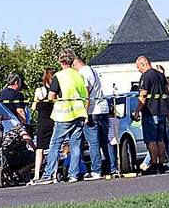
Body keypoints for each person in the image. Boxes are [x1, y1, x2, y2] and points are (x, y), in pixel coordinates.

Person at [37, 48, 90, 184]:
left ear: (60, 61)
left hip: (65, 115)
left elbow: (51, 96)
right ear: (72, 61)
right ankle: (74, 174)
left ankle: (49, 174)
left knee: (55, 144)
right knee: (75, 145)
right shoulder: (79, 76)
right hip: (79, 113)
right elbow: (86, 95)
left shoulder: (59, 76)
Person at [73, 55, 110, 179]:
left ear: (74, 64)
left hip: (93, 110)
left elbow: (86, 95)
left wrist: (85, 114)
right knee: (105, 141)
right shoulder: (93, 70)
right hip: (103, 108)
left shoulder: (82, 74)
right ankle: (113, 168)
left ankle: (96, 170)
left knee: (93, 142)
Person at [133, 55, 169, 174]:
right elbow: (167, 93)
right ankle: (161, 163)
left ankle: (154, 164)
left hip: (150, 111)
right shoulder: (160, 75)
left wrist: (138, 110)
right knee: (160, 140)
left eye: (138, 67)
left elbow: (143, 94)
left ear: (143, 64)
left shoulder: (146, 76)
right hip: (162, 111)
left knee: (151, 140)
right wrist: (168, 109)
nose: (138, 69)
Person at [31, 68, 55, 180]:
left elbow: (33, 107)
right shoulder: (54, 92)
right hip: (53, 121)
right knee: (53, 148)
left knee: (39, 149)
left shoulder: (39, 91)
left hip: (42, 122)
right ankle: (54, 173)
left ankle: (36, 174)